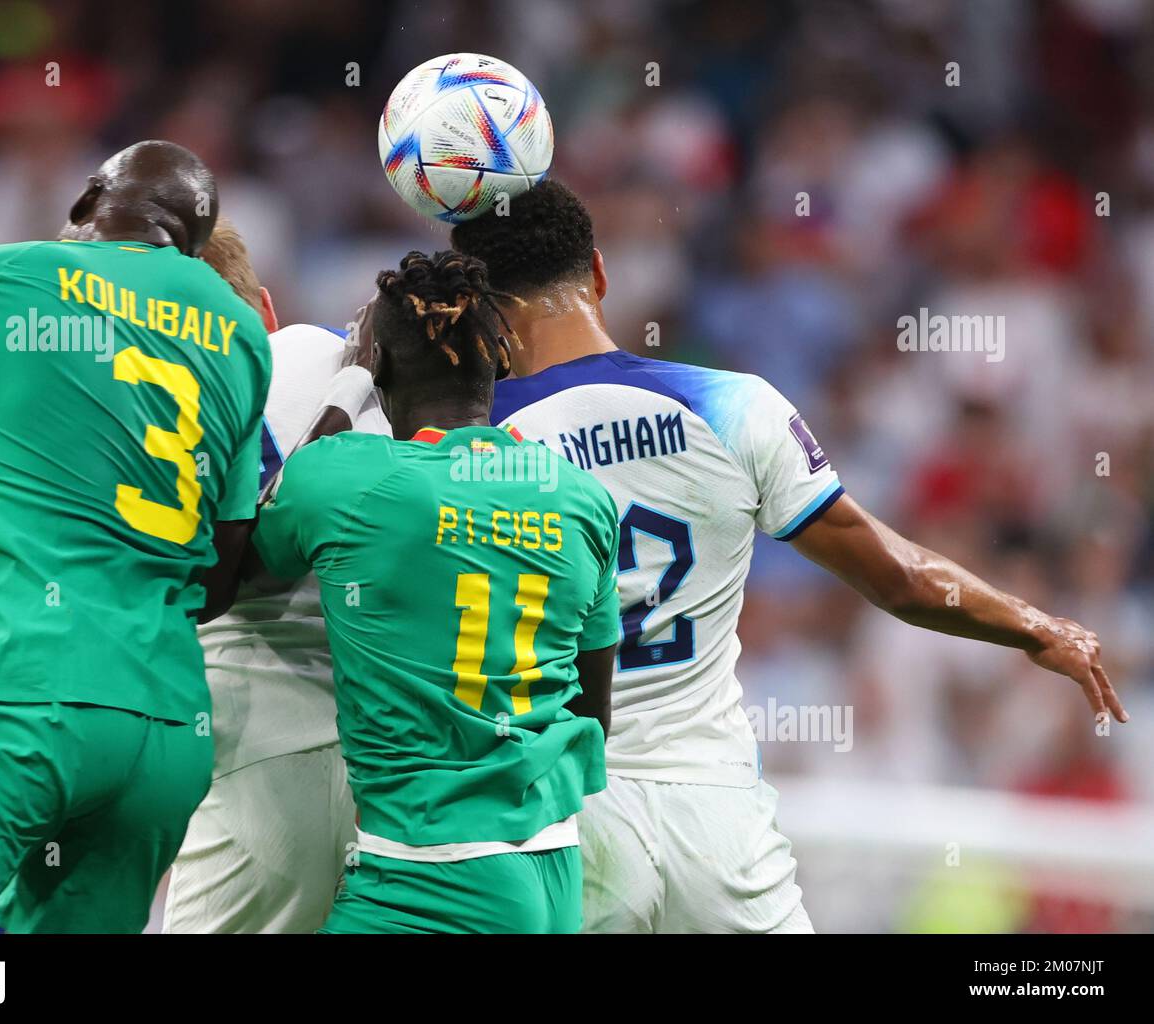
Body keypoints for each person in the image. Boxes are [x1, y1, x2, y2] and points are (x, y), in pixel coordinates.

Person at [449, 178, 1127, 933]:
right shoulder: (735, 405)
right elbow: (899, 578)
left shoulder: (460, 452)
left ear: (480, 310)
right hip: (715, 816)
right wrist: (1036, 627)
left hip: (572, 819)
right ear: (600, 272)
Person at [0, 141, 272, 934]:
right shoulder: (240, 331)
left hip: (22, 691)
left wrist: (16, 569)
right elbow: (216, 581)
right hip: (165, 735)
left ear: (85, 203)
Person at [245, 249, 619, 933]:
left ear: (380, 365)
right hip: (556, 868)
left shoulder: (349, 479)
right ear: (501, 360)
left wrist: (348, 384)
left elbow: (240, 573)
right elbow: (595, 709)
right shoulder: (579, 498)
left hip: (429, 879)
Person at [164, 219, 388, 933]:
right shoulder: (329, 354)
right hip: (394, 759)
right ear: (262, 308)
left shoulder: (137, 400)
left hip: (247, 750)